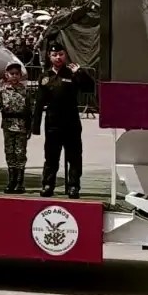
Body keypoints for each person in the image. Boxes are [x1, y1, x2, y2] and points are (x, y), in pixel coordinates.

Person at [31, 40, 95, 198]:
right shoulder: (45, 76)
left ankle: (73, 186)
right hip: (53, 122)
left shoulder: (72, 73)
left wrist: (80, 73)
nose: (58, 57)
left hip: (71, 121)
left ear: (65, 55)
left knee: (74, 156)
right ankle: (48, 184)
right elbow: (39, 102)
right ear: (49, 56)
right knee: (51, 156)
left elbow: (90, 88)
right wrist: (35, 125)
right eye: (54, 55)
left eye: (60, 54)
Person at [0, 60, 32, 194]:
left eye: (17, 74)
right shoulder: (3, 90)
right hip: (8, 126)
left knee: (20, 153)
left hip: (21, 126)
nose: (14, 76)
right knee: (9, 153)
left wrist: (30, 127)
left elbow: (30, 110)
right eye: (12, 73)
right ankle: (11, 180)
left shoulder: (25, 91)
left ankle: (20, 182)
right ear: (6, 75)